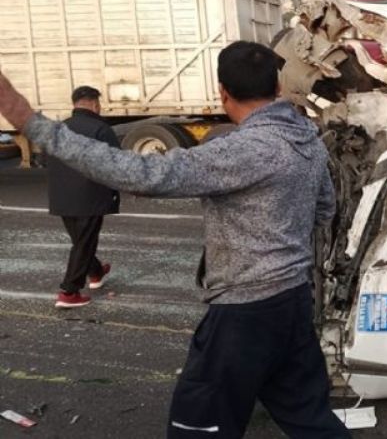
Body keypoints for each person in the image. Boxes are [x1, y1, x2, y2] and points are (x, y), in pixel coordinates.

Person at [0, 42, 350, 438]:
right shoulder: (307, 138)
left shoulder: (243, 150)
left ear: (223, 92)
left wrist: (31, 122)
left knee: (197, 426)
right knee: (308, 416)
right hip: (293, 301)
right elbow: (324, 210)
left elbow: (140, 173)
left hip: (244, 312)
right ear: (277, 87)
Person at [48, 86, 120, 309]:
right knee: (84, 243)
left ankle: (96, 272)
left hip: (61, 196)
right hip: (90, 195)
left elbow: (45, 159)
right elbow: (116, 162)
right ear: (94, 103)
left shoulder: (57, 129)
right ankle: (68, 292)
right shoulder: (101, 128)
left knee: (81, 240)